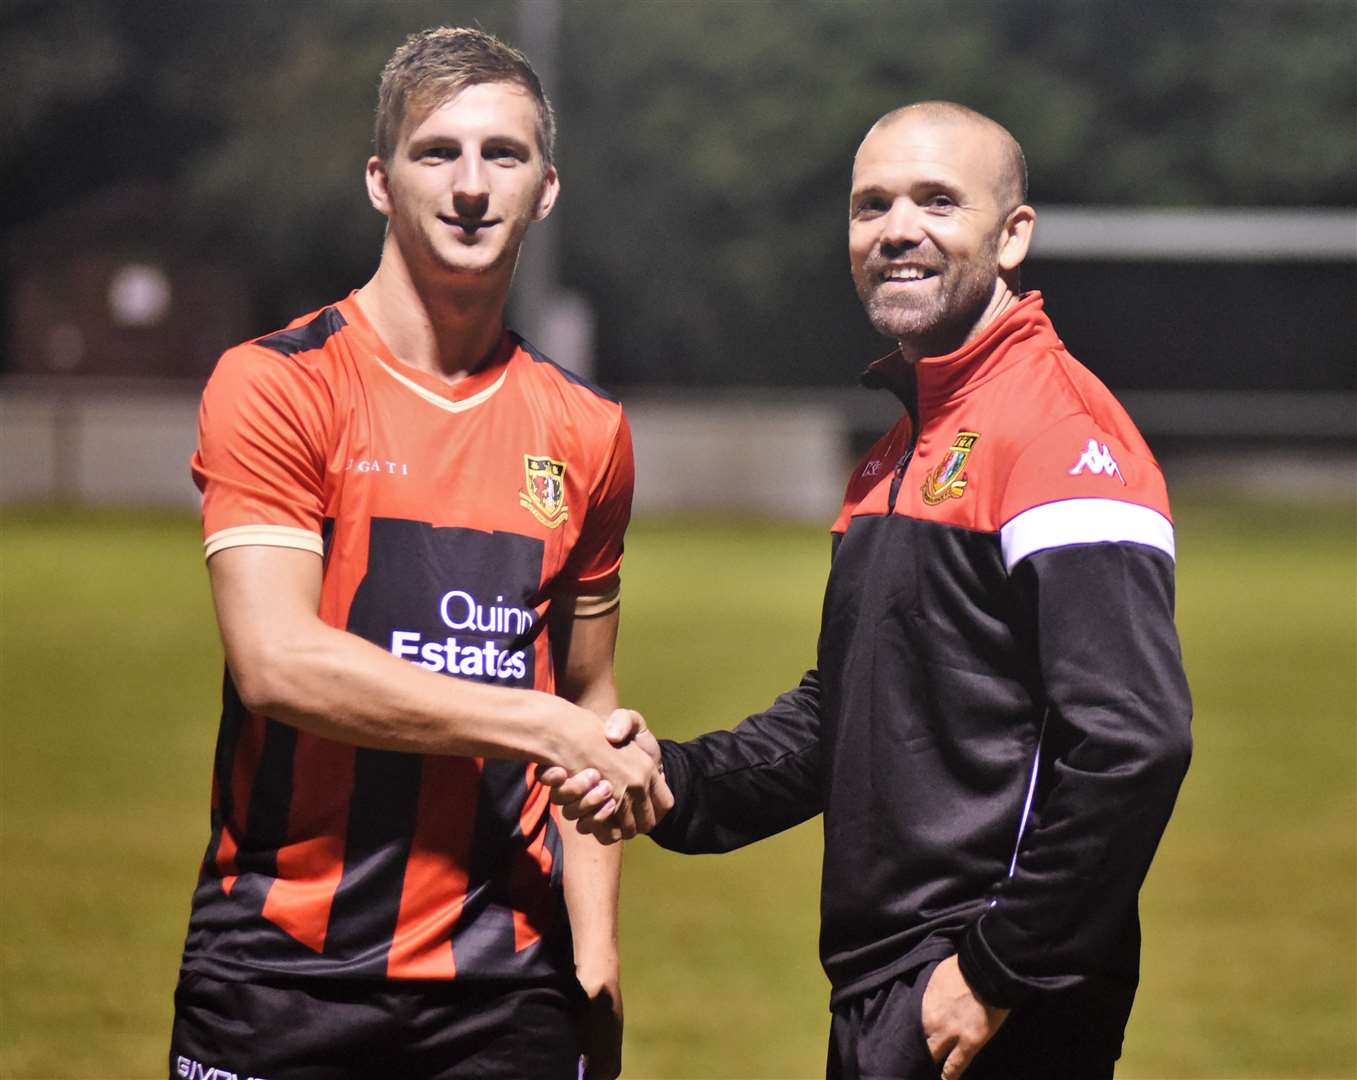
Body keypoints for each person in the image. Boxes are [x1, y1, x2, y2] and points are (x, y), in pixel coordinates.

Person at [545, 101, 1193, 1079]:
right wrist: (677, 784)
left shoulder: (1056, 436)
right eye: (872, 204)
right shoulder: (900, 447)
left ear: (1012, 234)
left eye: (938, 200)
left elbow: (1133, 740)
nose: (898, 228)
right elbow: (850, 710)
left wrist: (996, 968)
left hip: (993, 995)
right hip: (896, 982)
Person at [171, 27, 668, 1080]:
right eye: (436, 152)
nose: (472, 186)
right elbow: (277, 661)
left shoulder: (587, 431)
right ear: (378, 181)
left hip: (507, 984)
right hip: (280, 967)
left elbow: (588, 696)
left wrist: (599, 954)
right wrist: (536, 725)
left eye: (505, 155)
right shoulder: (277, 385)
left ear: (545, 190)